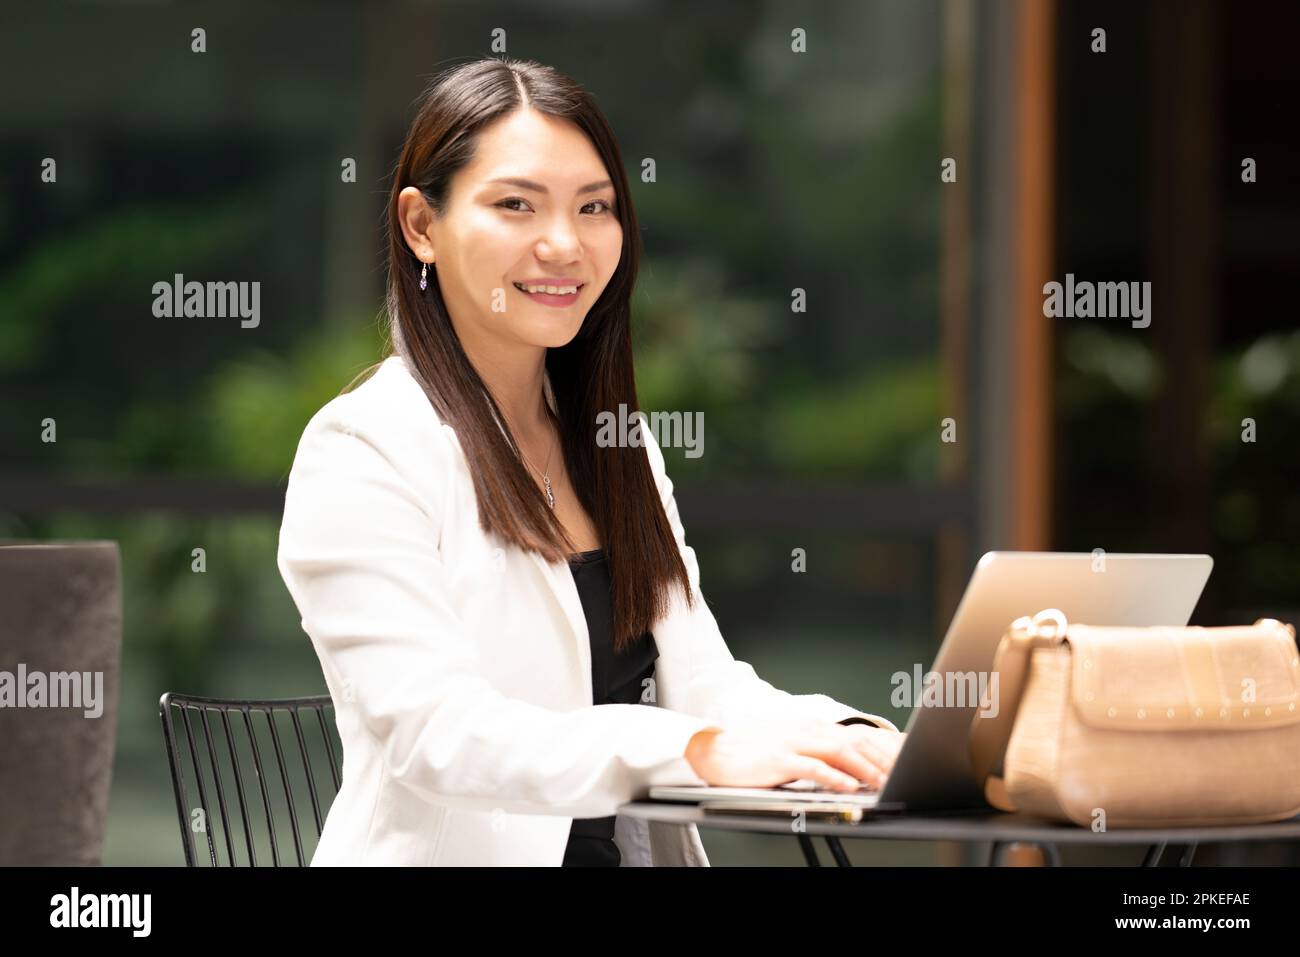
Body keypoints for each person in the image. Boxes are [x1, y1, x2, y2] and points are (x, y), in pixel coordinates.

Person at [276, 56, 904, 867]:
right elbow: (438, 734)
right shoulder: (364, 450)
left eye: (594, 207)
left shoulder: (613, 443)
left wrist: (848, 738)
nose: (564, 244)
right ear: (420, 226)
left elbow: (703, 685)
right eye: (515, 205)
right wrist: (693, 750)